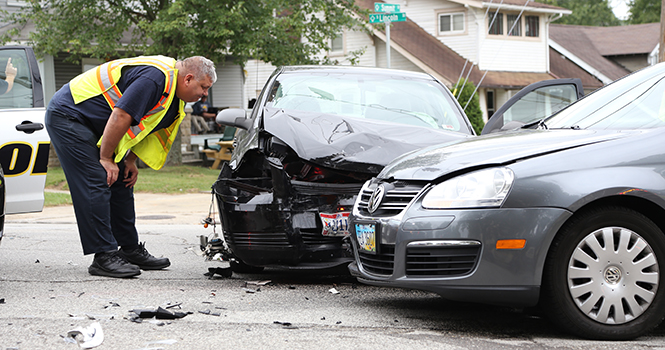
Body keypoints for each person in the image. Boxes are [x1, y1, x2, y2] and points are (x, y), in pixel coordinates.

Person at [45, 55, 217, 278]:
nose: (205, 95)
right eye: (203, 87)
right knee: (97, 179)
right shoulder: (155, 79)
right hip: (70, 116)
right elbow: (121, 114)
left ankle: (129, 249)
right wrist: (106, 159)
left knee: (122, 180)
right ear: (188, 79)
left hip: (99, 126)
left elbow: (147, 128)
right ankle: (103, 256)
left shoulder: (174, 98)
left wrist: (130, 161)